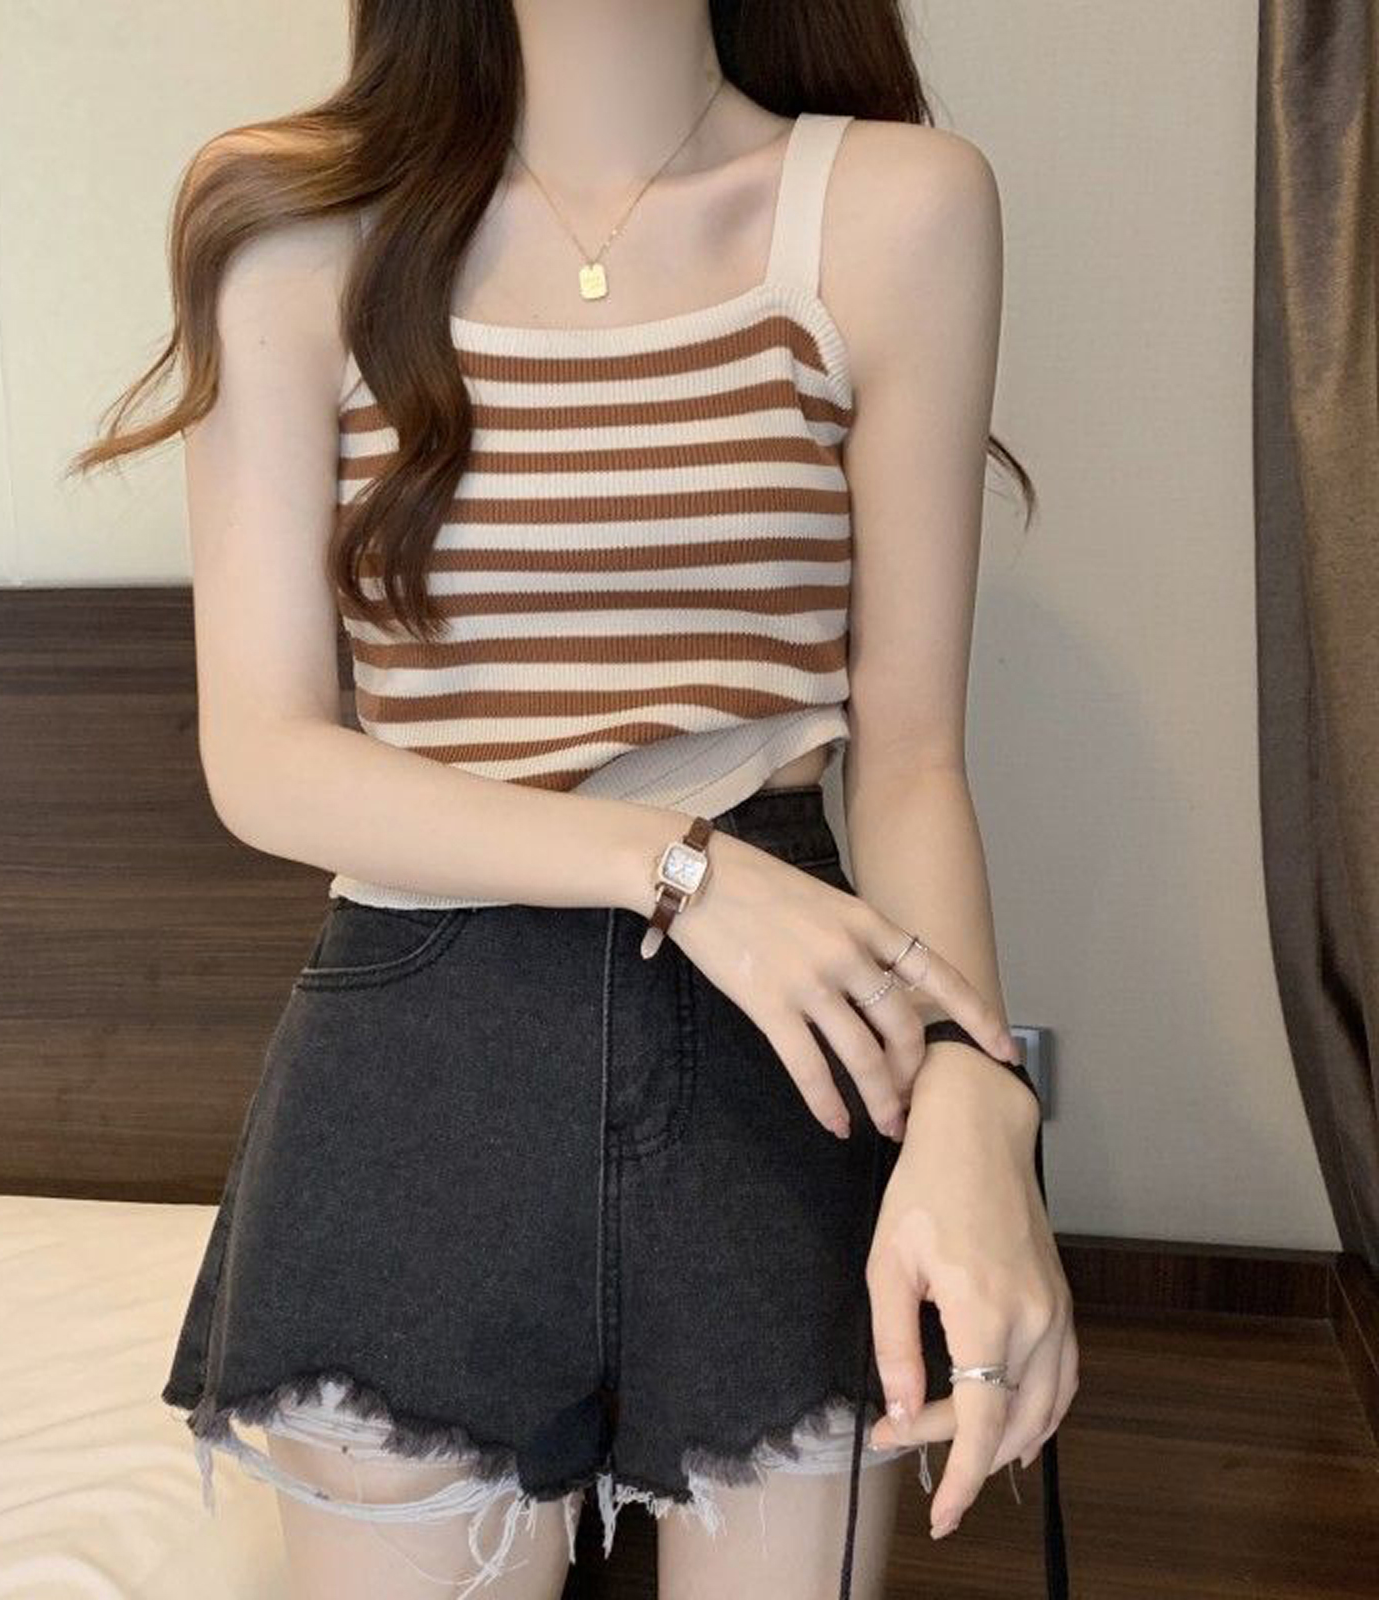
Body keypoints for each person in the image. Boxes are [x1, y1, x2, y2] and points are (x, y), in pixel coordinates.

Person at [72, 3, 1076, 1595]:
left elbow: (909, 757)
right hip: (422, 1057)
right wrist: (679, 868)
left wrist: (973, 1094)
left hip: (785, 1066)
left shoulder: (894, 210)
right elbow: (264, 754)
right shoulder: (291, 224)